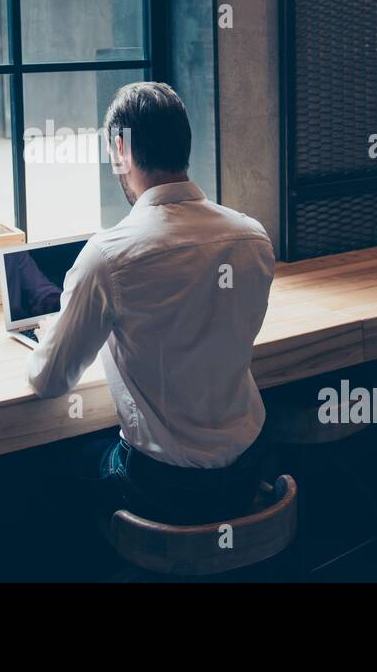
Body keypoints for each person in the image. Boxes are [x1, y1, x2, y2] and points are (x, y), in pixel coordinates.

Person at [26, 82, 275, 525]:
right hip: (249, 468)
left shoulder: (109, 256)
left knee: (47, 469)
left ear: (120, 147)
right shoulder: (252, 237)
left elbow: (48, 380)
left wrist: (56, 331)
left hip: (165, 489)